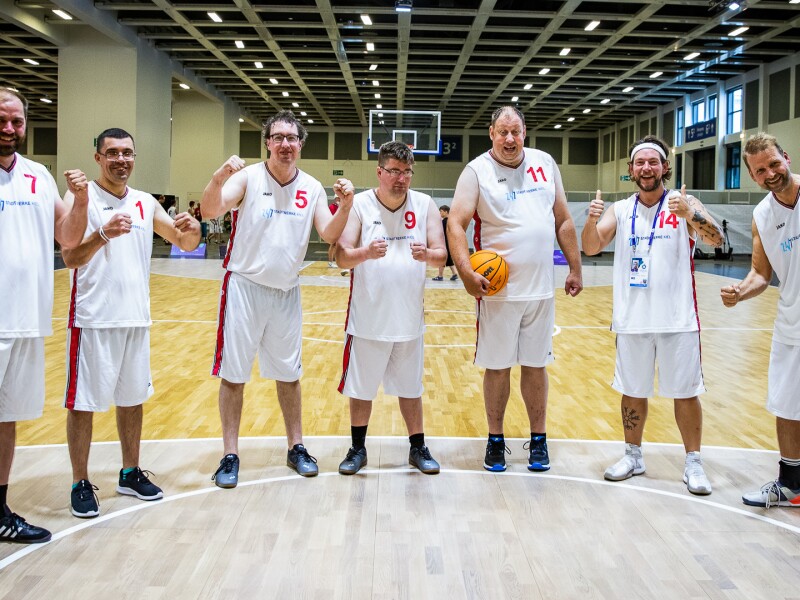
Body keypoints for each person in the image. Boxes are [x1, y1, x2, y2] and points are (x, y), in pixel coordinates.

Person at [201, 110, 353, 487]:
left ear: (301, 145)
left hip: (286, 292)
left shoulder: (313, 187)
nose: (286, 144)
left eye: (292, 138)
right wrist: (219, 177)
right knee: (234, 375)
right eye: (279, 137)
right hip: (244, 289)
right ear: (267, 143)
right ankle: (230, 455)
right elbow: (209, 210)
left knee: (289, 375)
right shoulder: (248, 178)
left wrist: (347, 206)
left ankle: (296, 447)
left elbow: (330, 232)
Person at [62, 128, 201, 518]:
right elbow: (70, 257)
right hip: (92, 319)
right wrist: (103, 235)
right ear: (98, 158)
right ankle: (79, 481)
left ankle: (129, 471)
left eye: (127, 153)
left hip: (135, 318)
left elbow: (183, 243)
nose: (120, 159)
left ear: (135, 157)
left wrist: (194, 231)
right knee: (83, 404)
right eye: (112, 153)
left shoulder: (144, 203)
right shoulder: (81, 199)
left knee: (132, 399)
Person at [582, 134, 723, 495]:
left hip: (678, 318)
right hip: (632, 318)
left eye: (653, 162)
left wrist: (690, 213)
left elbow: (716, 240)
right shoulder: (619, 209)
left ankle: (693, 462)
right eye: (640, 163)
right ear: (630, 170)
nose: (647, 168)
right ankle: (633, 455)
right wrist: (591, 220)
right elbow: (592, 247)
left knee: (686, 392)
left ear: (665, 168)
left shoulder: (683, 203)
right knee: (632, 390)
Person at [447, 106, 583, 473]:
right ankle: (495, 440)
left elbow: (564, 219)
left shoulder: (545, 163)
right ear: (491, 133)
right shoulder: (477, 171)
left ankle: (538, 440)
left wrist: (575, 266)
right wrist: (464, 271)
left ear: (525, 133)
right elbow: (456, 224)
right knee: (497, 367)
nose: (510, 139)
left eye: (516, 132)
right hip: (497, 292)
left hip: (541, 291)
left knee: (537, 366)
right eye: (502, 132)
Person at [0, 87, 89, 542]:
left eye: (17, 121)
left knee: (6, 418)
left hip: (26, 320)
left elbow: (69, 239)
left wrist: (81, 199)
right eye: (3, 119)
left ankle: (0, 509)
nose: (10, 128)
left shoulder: (38, 175)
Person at [335, 141, 446, 475]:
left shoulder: (424, 204)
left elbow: (442, 254)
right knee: (362, 389)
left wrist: (428, 255)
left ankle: (417, 447)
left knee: (411, 389)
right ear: (379, 172)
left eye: (407, 171)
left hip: (409, 318)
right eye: (395, 171)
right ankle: (357, 449)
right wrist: (365, 253)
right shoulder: (361, 205)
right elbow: (340, 255)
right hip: (368, 317)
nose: (401, 178)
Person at [721, 132, 800, 508]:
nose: (771, 173)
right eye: (761, 170)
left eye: (774, 163)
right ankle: (791, 484)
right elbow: (760, 275)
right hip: (791, 324)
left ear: (785, 157)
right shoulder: (762, 216)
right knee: (786, 405)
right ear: (752, 176)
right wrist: (740, 292)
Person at [433, 205, 458, 281]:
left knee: (442, 259)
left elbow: (440, 233)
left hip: (445, 243)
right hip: (450, 243)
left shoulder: (444, 222)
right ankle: (455, 274)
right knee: (449, 260)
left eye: (441, 211)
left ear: (446, 211)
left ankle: (440, 276)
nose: (439, 213)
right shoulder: (451, 221)